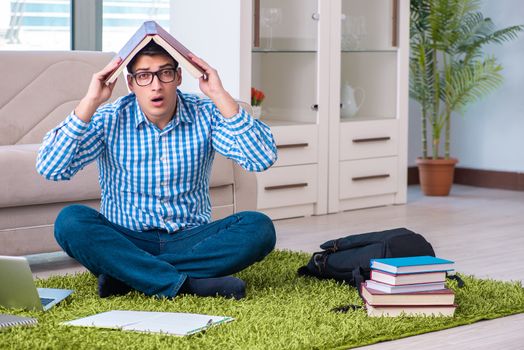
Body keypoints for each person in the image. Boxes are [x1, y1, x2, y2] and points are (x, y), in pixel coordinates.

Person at [36, 41, 278, 300]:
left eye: (165, 73)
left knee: (259, 227)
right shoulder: (109, 117)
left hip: (189, 239)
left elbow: (261, 159)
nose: (156, 85)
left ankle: (129, 276)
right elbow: (51, 168)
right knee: (70, 221)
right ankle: (186, 284)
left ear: (178, 77)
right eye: (144, 76)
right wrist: (90, 101)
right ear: (130, 83)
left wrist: (219, 94)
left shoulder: (205, 113)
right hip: (127, 240)